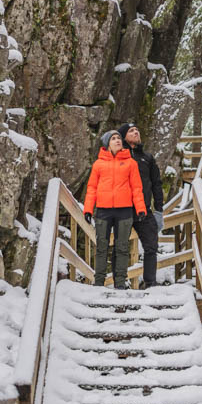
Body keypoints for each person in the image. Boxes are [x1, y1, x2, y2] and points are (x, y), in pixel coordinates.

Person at [83, 130, 148, 288]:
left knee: (122, 247)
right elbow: (91, 188)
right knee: (101, 247)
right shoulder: (98, 164)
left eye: (119, 138)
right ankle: (99, 282)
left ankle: (120, 284)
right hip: (104, 211)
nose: (117, 140)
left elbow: (136, 188)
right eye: (113, 138)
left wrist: (140, 208)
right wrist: (88, 210)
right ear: (107, 143)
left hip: (124, 211)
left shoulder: (131, 163)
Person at [117, 122, 165, 289]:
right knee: (120, 246)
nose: (136, 132)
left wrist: (159, 210)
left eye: (137, 129)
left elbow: (156, 184)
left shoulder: (147, 158)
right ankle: (119, 283)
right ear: (124, 137)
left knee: (151, 246)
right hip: (122, 210)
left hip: (143, 211)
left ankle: (150, 283)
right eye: (131, 131)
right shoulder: (117, 156)